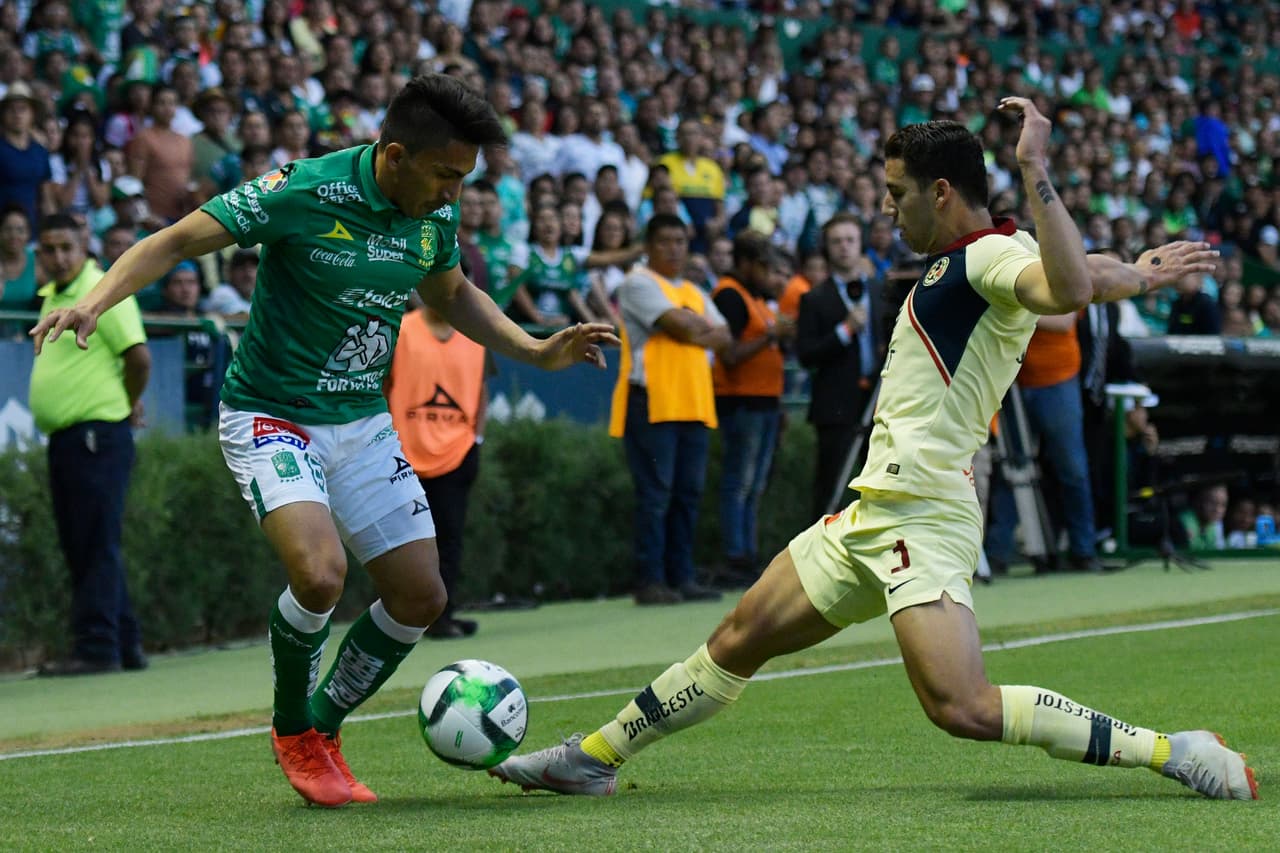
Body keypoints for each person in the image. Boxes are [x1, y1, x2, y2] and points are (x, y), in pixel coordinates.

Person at [489, 103, 1256, 802]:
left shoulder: (991, 257)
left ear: (942, 192)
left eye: (898, 193)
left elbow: (1070, 288)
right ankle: (592, 758)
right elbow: (1090, 272)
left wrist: (1034, 167)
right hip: (870, 514)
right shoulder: (989, 255)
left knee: (961, 705)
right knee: (736, 639)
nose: (888, 208)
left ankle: (1174, 750)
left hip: (921, 515)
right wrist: (1142, 273)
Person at [31, 74, 619, 809]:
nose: (454, 193)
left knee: (421, 596)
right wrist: (94, 301)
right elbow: (178, 239)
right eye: (445, 174)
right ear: (395, 155)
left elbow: (452, 293)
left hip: (362, 421)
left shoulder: (434, 213)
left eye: (464, 178)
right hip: (270, 413)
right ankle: (294, 731)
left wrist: (534, 348)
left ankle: (325, 723)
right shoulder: (303, 190)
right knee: (319, 575)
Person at [29, 213, 151, 676]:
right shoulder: (53, 295)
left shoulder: (104, 290)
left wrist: (129, 402)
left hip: (97, 434)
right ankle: (125, 643)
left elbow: (139, 358)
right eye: (49, 249)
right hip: (74, 438)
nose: (59, 257)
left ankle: (97, 647)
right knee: (89, 541)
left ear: (84, 245)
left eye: (67, 247)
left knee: (92, 542)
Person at [608, 213, 730, 606]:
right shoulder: (638, 282)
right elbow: (684, 326)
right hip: (653, 401)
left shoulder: (693, 289)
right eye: (665, 241)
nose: (674, 249)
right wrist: (695, 327)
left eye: (680, 241)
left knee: (688, 495)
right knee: (656, 495)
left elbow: (725, 337)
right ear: (648, 246)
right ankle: (650, 580)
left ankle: (682, 577)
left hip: (694, 402)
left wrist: (691, 327)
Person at [387, 294, 487, 639]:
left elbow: (481, 388)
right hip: (403, 453)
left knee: (449, 540)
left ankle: (441, 616)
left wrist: (476, 439)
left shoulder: (476, 334)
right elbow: (384, 386)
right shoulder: (400, 330)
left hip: (457, 453)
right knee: (399, 545)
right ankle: (399, 619)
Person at [986, 312, 1101, 574]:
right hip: (1014, 380)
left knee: (1072, 468)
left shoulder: (1055, 282)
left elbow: (1063, 321)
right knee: (1012, 465)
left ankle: (1083, 549)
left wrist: (1019, 311)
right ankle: (998, 552)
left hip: (1057, 377)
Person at [711, 231, 793, 582]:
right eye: (763, 267)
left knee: (754, 484)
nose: (769, 274)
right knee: (740, 482)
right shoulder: (730, 295)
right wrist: (771, 336)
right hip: (741, 401)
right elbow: (729, 355)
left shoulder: (755, 297)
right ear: (744, 263)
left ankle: (747, 552)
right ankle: (736, 555)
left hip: (763, 401)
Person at [796, 212, 886, 517]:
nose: (844, 247)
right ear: (826, 248)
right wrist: (844, 331)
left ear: (861, 243)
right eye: (836, 241)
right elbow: (806, 354)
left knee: (884, 490)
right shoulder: (814, 298)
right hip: (835, 406)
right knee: (830, 488)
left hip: (879, 403)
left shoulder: (879, 290)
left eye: (850, 240)